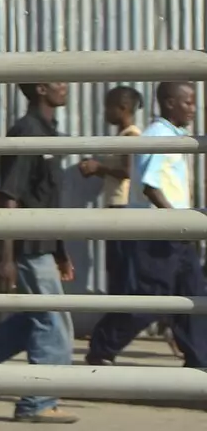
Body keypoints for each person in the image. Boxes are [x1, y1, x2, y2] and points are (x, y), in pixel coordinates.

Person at [0, 82, 77, 424]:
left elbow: (46, 198)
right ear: (40, 89)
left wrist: (60, 250)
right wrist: (5, 258)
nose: (66, 87)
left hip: (44, 245)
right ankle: (37, 401)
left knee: (31, 323)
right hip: (28, 248)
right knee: (53, 324)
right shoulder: (27, 132)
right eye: (58, 82)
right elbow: (9, 197)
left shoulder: (48, 133)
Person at [87, 82, 207, 368]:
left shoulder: (174, 136)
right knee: (149, 298)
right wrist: (175, 220)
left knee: (194, 297)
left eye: (193, 102)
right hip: (160, 230)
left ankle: (199, 361)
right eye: (187, 102)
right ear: (169, 103)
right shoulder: (158, 136)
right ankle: (102, 348)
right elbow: (151, 186)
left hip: (177, 229)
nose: (193, 108)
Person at [78, 85, 141, 302]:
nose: (104, 112)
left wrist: (99, 168)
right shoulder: (123, 135)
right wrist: (95, 170)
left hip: (122, 208)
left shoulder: (131, 135)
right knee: (115, 266)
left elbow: (128, 171)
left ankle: (119, 318)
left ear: (122, 108)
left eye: (108, 107)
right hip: (116, 207)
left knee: (121, 267)